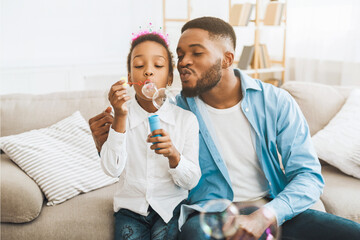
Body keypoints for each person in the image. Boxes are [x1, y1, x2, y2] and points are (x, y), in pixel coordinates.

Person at [90, 17, 360, 239]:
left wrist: (266, 215)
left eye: (196, 53)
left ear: (227, 59)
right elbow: (137, 134)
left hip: (270, 209)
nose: (183, 61)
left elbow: (309, 176)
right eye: (181, 54)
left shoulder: (275, 102)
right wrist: (108, 137)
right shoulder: (176, 110)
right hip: (211, 217)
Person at [98, 32, 201, 240]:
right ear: (129, 77)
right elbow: (111, 169)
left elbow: (191, 180)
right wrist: (119, 116)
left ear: (170, 77)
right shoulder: (120, 115)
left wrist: (174, 156)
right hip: (130, 211)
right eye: (138, 66)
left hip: (169, 209)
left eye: (158, 65)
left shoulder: (186, 120)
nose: (148, 72)